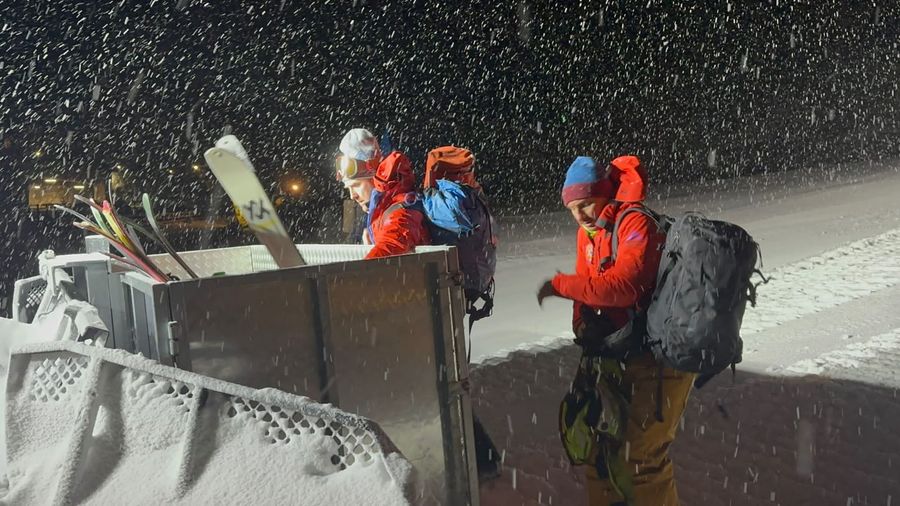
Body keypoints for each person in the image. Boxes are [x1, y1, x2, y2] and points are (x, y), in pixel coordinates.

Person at [536, 155, 695, 505]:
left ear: (603, 194)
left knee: (643, 458)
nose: (580, 215)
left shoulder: (634, 222)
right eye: (573, 208)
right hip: (618, 356)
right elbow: (590, 284)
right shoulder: (588, 233)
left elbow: (625, 285)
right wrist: (581, 321)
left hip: (659, 358)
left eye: (586, 204)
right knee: (600, 451)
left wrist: (562, 286)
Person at [335, 128, 429, 259]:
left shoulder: (401, 208)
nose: (352, 195)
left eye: (356, 185)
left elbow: (391, 245)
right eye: (348, 189)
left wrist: (355, 275)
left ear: (374, 177)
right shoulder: (381, 209)